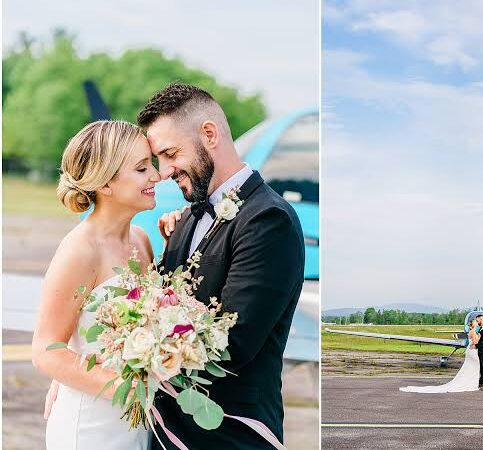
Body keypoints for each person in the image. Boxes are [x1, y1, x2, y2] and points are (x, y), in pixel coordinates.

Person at [138, 82, 305, 449]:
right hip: (165, 430)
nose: (163, 171)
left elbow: (233, 342)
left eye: (170, 153)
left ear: (209, 134)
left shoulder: (268, 220)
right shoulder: (185, 218)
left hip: (229, 434)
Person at [32, 120, 160, 449]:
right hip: (90, 426)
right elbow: (46, 350)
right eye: (142, 168)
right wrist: (125, 385)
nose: (156, 176)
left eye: (153, 165)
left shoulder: (141, 240)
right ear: (106, 183)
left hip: (134, 423)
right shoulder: (79, 250)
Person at [399, 318, 481, 393]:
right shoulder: (473, 332)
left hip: (470, 351)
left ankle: (470, 383)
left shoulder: (472, 332)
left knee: (469, 367)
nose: (477, 323)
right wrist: (480, 337)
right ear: (473, 325)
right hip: (473, 350)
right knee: (473, 367)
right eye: (476, 322)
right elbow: (475, 343)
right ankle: (471, 384)